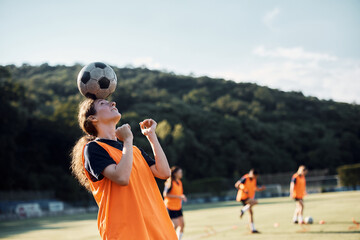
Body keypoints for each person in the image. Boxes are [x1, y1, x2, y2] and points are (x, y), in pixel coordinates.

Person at [71, 98, 177, 240]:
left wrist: (152, 136)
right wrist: (127, 140)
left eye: (111, 102)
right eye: (103, 103)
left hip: (155, 228)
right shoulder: (93, 149)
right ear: (93, 118)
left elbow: (164, 172)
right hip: (125, 232)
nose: (112, 103)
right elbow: (121, 178)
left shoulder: (133, 150)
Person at [235, 169, 266, 233]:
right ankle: (243, 210)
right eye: (255, 176)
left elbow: (255, 188)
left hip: (248, 197)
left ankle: (253, 229)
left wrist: (261, 189)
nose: (256, 177)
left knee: (251, 213)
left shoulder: (254, 180)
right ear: (252, 174)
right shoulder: (245, 178)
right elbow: (237, 185)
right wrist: (244, 190)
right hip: (243, 196)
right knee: (255, 202)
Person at [163, 166, 187, 240]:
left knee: (182, 224)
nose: (181, 174)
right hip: (170, 206)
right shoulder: (169, 183)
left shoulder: (179, 182)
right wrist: (178, 197)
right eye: (180, 172)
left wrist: (182, 196)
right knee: (175, 225)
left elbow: (179, 194)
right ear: (175, 173)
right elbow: (165, 194)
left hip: (178, 207)